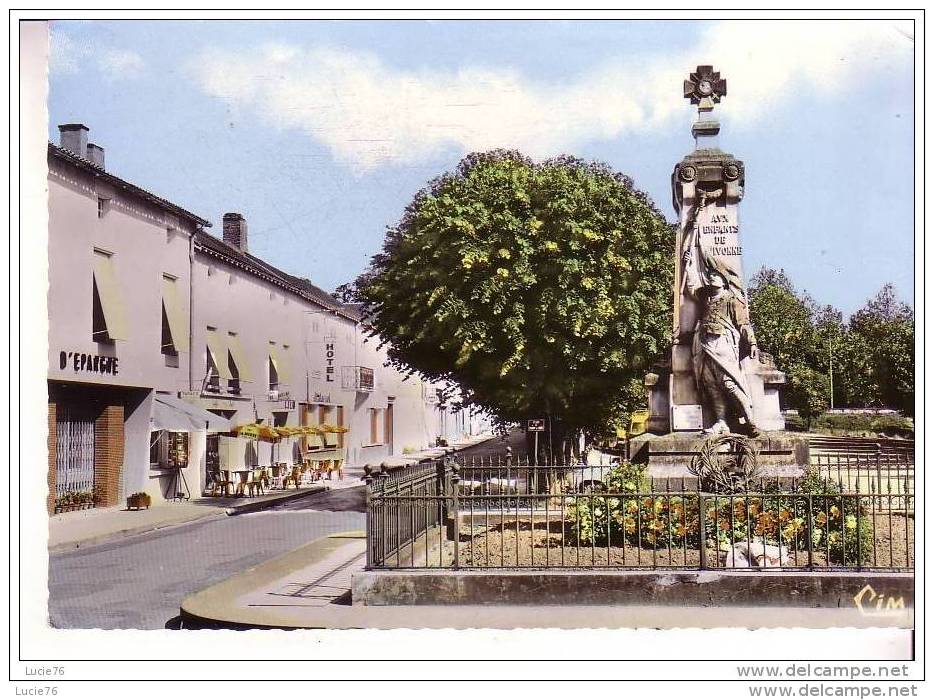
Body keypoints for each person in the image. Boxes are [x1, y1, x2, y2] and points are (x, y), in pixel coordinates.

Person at [691, 260, 760, 436]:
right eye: (710, 275)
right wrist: (689, 263)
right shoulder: (705, 299)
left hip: (724, 344)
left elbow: (743, 323)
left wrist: (751, 342)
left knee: (729, 383)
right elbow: (689, 287)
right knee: (711, 384)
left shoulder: (731, 299)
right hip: (705, 346)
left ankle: (750, 420)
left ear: (724, 281)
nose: (712, 277)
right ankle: (721, 422)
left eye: (716, 275)